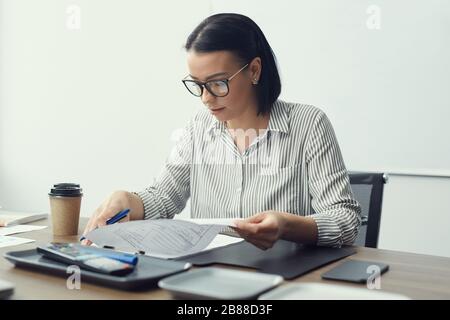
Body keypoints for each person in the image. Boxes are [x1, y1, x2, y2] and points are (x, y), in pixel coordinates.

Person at [82, 13, 361, 249]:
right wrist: (129, 200)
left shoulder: (309, 125)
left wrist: (287, 225)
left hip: (283, 278)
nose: (206, 98)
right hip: (207, 275)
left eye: (217, 83)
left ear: (254, 70)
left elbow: (346, 221)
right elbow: (164, 197)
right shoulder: (198, 127)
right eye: (197, 84)